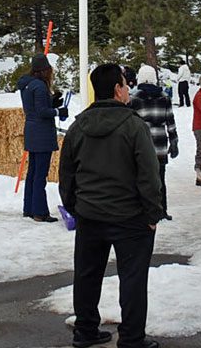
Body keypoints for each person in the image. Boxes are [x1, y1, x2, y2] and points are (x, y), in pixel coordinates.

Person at [58, 63, 162, 348]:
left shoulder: (78, 127)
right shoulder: (134, 126)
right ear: (117, 89)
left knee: (87, 276)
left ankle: (85, 331)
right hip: (130, 217)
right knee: (132, 279)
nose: (128, 89)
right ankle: (131, 338)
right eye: (125, 84)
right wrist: (153, 213)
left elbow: (65, 174)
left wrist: (74, 207)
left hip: (90, 214)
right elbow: (149, 175)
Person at [17, 53, 67, 223]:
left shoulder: (28, 85)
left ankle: (29, 208)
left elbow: (35, 107)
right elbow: (41, 111)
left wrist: (52, 102)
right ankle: (40, 212)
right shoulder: (39, 86)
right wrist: (58, 111)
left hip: (32, 131)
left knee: (32, 173)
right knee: (40, 175)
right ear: (44, 70)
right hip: (42, 133)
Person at [130, 65, 178, 221]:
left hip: (141, 145)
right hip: (160, 144)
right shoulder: (164, 97)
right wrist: (174, 141)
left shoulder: (134, 98)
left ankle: (143, 210)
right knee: (160, 179)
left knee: (142, 179)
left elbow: (130, 123)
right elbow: (170, 121)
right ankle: (162, 209)